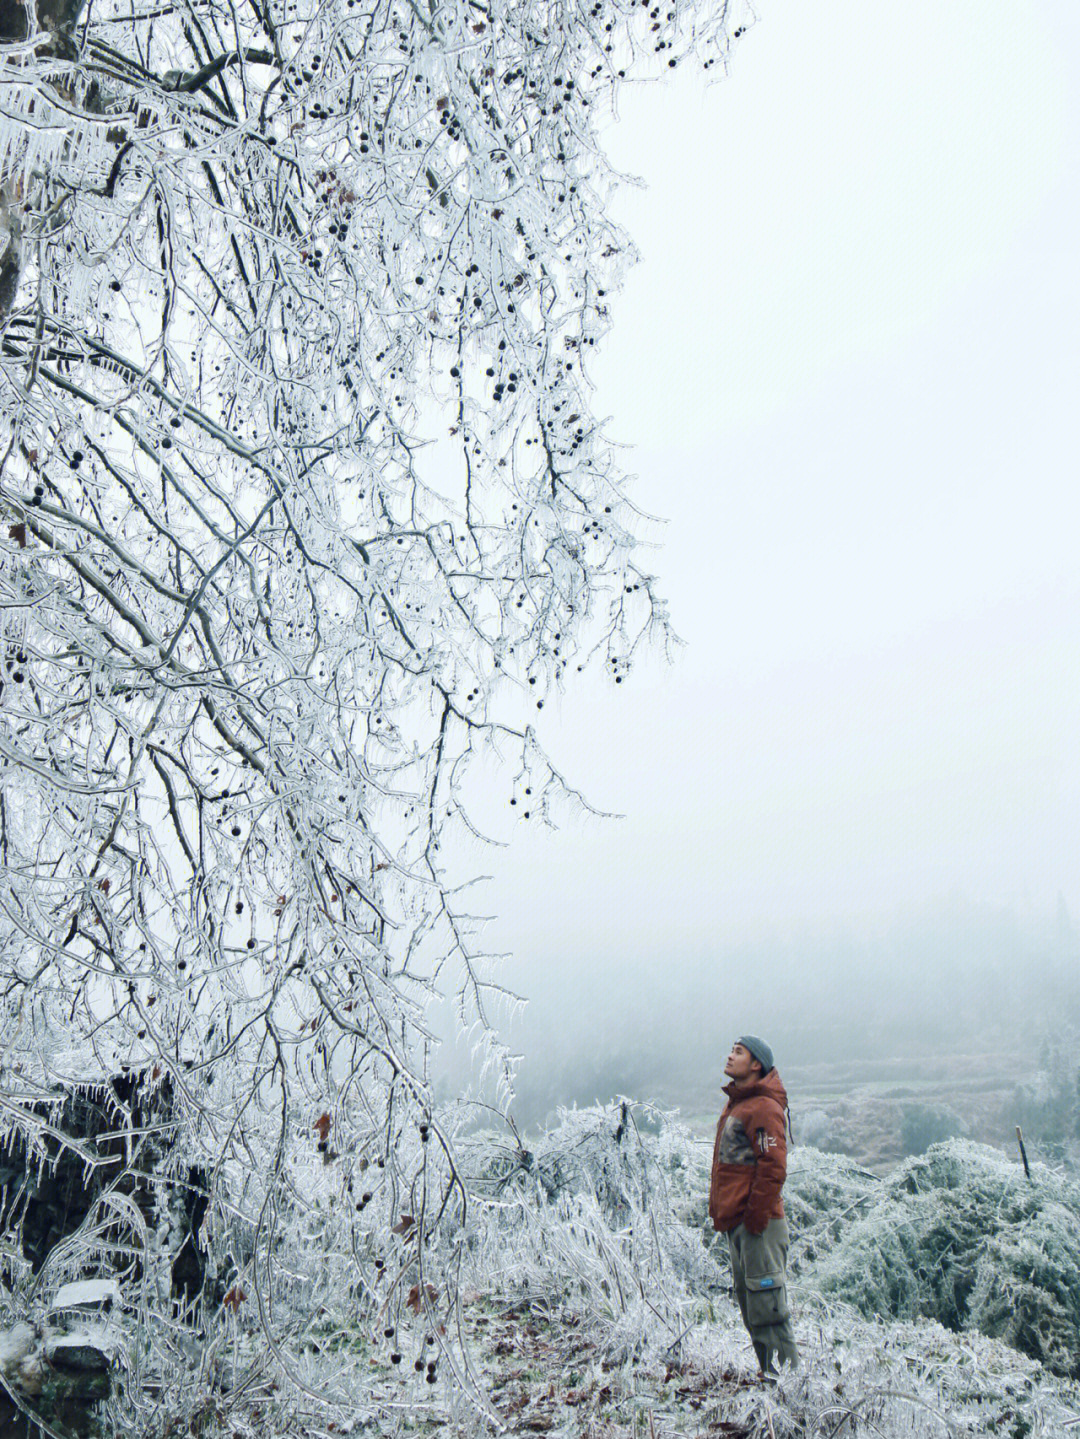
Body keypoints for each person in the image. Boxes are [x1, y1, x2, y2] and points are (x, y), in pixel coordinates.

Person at [709, 1035, 798, 1379]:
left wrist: (755, 1218)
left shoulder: (761, 1107)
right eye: (731, 1049)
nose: (730, 1056)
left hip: (757, 1225)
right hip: (741, 1224)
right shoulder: (739, 1103)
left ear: (756, 1064)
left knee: (769, 1312)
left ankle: (791, 1392)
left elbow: (773, 1166)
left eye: (738, 1052)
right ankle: (771, 1382)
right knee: (753, 1311)